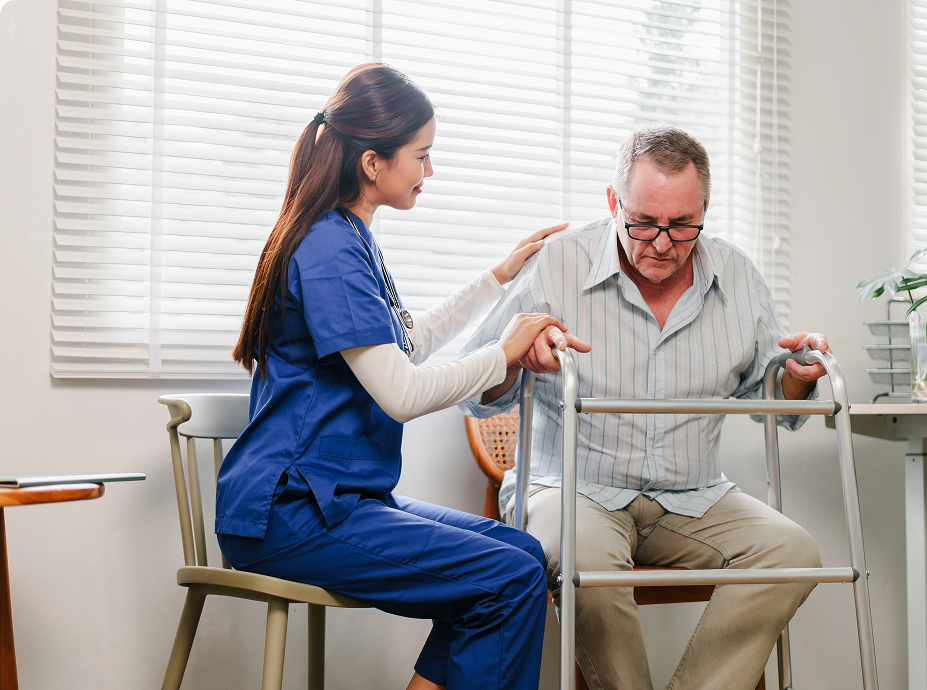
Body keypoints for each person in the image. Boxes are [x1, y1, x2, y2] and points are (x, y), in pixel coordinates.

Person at [216, 63, 581, 690]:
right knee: (509, 579)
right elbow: (400, 393)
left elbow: (404, 345)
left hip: (334, 500)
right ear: (373, 163)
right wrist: (503, 354)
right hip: (290, 515)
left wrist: (499, 277)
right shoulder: (329, 247)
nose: (429, 171)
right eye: (423, 155)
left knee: (521, 556)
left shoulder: (348, 235)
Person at [460, 124, 833, 690]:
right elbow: (472, 389)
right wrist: (517, 361)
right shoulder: (558, 264)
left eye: (682, 225)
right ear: (613, 202)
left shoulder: (738, 276)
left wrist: (798, 380)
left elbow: (772, 408)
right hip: (574, 489)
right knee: (585, 560)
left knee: (793, 552)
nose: (661, 243)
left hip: (693, 496)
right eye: (642, 222)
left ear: (705, 208)